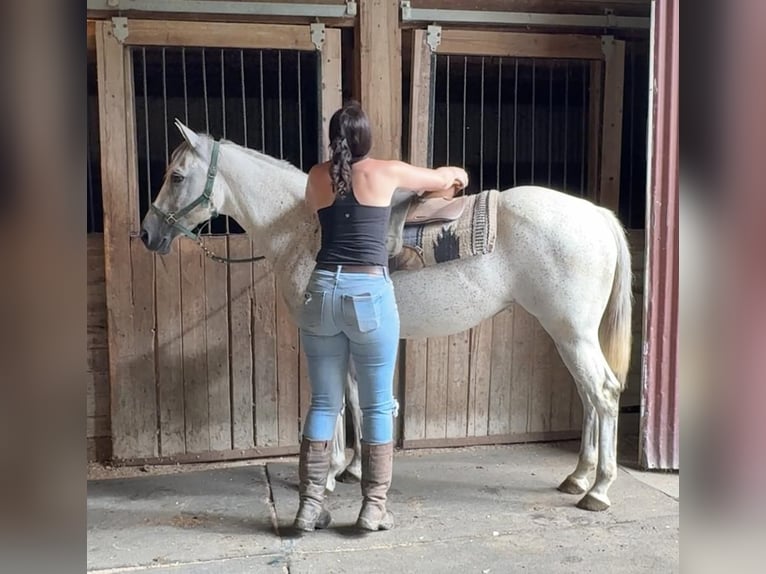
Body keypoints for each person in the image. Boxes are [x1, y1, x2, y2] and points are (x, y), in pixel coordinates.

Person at [294, 101, 469, 532]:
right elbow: (443, 180)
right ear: (366, 138)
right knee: (375, 405)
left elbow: (322, 210)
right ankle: (373, 507)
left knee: (323, 402)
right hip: (367, 292)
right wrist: (456, 175)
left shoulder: (315, 177)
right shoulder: (387, 172)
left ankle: (309, 506)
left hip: (320, 291)